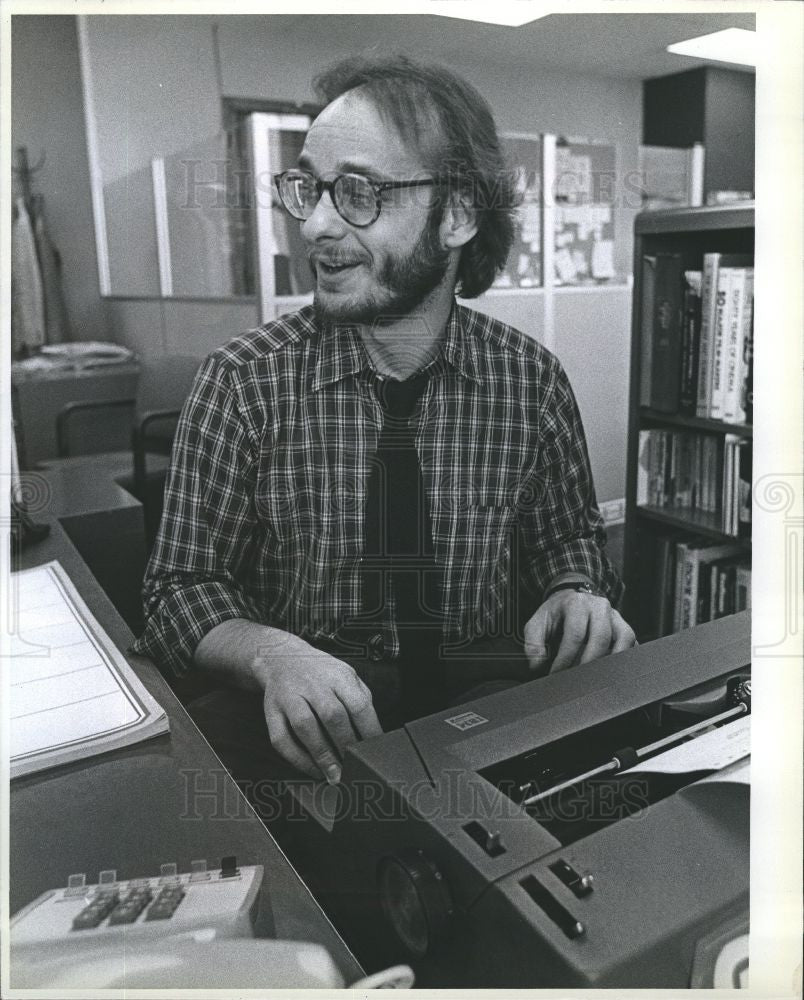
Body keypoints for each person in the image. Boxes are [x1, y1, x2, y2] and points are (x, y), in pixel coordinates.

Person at [134, 54, 635, 788]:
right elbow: (177, 588)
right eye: (309, 188)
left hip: (480, 713)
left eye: (359, 192)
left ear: (458, 214)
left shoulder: (531, 382)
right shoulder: (242, 382)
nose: (315, 223)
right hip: (310, 732)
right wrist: (275, 655)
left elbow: (569, 541)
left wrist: (574, 593)